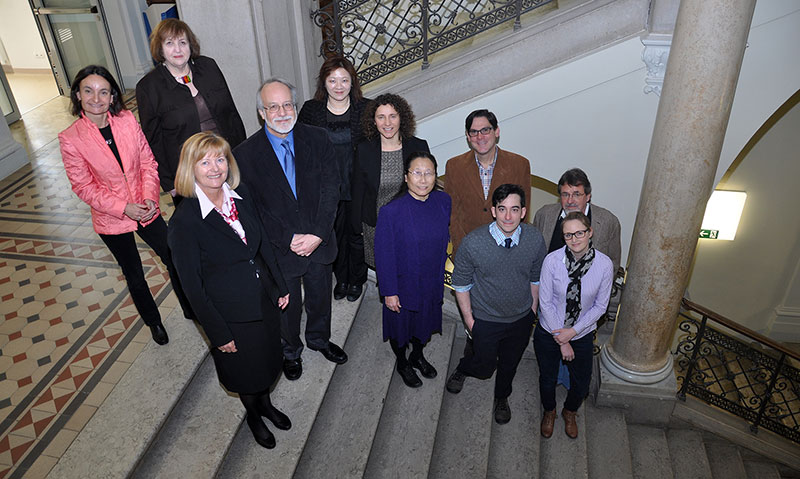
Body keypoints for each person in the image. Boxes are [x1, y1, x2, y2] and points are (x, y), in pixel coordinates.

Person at [167, 132, 291, 449]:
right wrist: (218, 333)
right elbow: (191, 287)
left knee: (265, 362)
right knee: (246, 373)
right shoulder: (184, 222)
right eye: (204, 161)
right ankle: (254, 415)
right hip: (231, 315)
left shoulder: (241, 194)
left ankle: (266, 405)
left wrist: (279, 284)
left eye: (220, 159)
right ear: (189, 169)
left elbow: (262, 244)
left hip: (262, 298)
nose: (214, 167)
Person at [59, 65, 192, 345]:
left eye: (104, 91)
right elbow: (84, 187)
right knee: (134, 273)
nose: (97, 98)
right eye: (89, 90)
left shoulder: (127, 120)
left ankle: (190, 307)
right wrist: (123, 207)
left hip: (146, 208)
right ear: (78, 95)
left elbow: (147, 162)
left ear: (112, 96)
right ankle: (154, 322)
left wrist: (148, 198)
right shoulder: (71, 138)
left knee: (173, 256)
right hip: (112, 218)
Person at [234, 78, 347, 382]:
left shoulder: (319, 138)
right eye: (274, 106)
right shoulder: (244, 155)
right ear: (262, 112)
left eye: (288, 105)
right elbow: (251, 208)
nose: (282, 112)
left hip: (319, 240)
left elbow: (331, 188)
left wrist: (319, 233)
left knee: (320, 297)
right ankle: (290, 351)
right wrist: (288, 238)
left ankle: (320, 339)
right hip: (279, 248)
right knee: (288, 306)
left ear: (295, 107)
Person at [445, 184, 547, 425]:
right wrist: (470, 321)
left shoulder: (534, 240)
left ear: (523, 211)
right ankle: (464, 368)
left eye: (514, 209)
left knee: (510, 365)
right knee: (484, 364)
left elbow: (536, 278)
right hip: (486, 320)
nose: (508, 216)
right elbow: (460, 284)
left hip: (521, 320)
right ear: (493, 211)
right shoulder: (473, 243)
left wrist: (532, 311)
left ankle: (502, 397)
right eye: (502, 209)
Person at [136, 18, 245, 205]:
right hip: (188, 172)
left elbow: (232, 115)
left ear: (190, 45)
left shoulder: (208, 67)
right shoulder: (148, 87)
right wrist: (169, 182)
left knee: (240, 212)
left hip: (225, 159)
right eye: (169, 43)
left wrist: (243, 155)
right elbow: (153, 140)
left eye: (182, 42)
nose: (177, 50)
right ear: (160, 49)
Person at [375, 152, 451, 388]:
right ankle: (402, 363)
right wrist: (389, 291)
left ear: (435, 176)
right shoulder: (391, 212)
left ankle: (417, 356)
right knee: (401, 331)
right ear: (406, 177)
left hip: (431, 281)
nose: (423, 179)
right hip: (403, 285)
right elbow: (383, 254)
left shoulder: (443, 201)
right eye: (416, 173)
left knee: (424, 325)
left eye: (428, 173)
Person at [535, 211, 613, 439]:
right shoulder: (552, 261)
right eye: (568, 235)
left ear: (590, 232)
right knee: (547, 379)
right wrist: (562, 339)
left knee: (581, 384)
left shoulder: (604, 265)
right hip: (549, 331)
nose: (574, 239)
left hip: (581, 334)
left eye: (579, 233)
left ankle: (570, 411)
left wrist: (572, 333)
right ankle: (549, 411)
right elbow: (546, 303)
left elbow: (600, 307)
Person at [298, 56, 370, 302]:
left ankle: (357, 279)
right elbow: (301, 148)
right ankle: (342, 280)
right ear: (324, 83)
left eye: (344, 80)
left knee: (356, 234)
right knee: (333, 236)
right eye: (332, 80)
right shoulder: (311, 110)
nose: (338, 86)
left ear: (352, 83)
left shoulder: (366, 108)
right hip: (326, 188)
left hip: (358, 185)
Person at [351, 93, 429, 270]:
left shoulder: (418, 146)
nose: (387, 123)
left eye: (393, 116)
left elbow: (427, 186)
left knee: (411, 270)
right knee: (387, 275)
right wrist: (357, 227)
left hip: (411, 222)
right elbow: (358, 190)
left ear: (402, 118)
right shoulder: (364, 150)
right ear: (374, 121)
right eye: (381, 117)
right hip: (376, 226)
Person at [445, 109, 531, 254]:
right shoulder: (454, 166)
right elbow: (452, 215)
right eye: (474, 132)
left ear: (496, 131)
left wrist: (511, 249)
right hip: (468, 253)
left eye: (485, 130)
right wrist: (465, 249)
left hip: (508, 253)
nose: (480, 137)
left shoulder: (519, 164)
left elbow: (523, 211)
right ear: (467, 136)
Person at [533, 168, 621, 273]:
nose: (570, 201)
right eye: (565, 194)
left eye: (576, 194)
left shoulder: (608, 222)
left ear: (588, 196)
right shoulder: (544, 215)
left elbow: (613, 264)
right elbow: (534, 255)